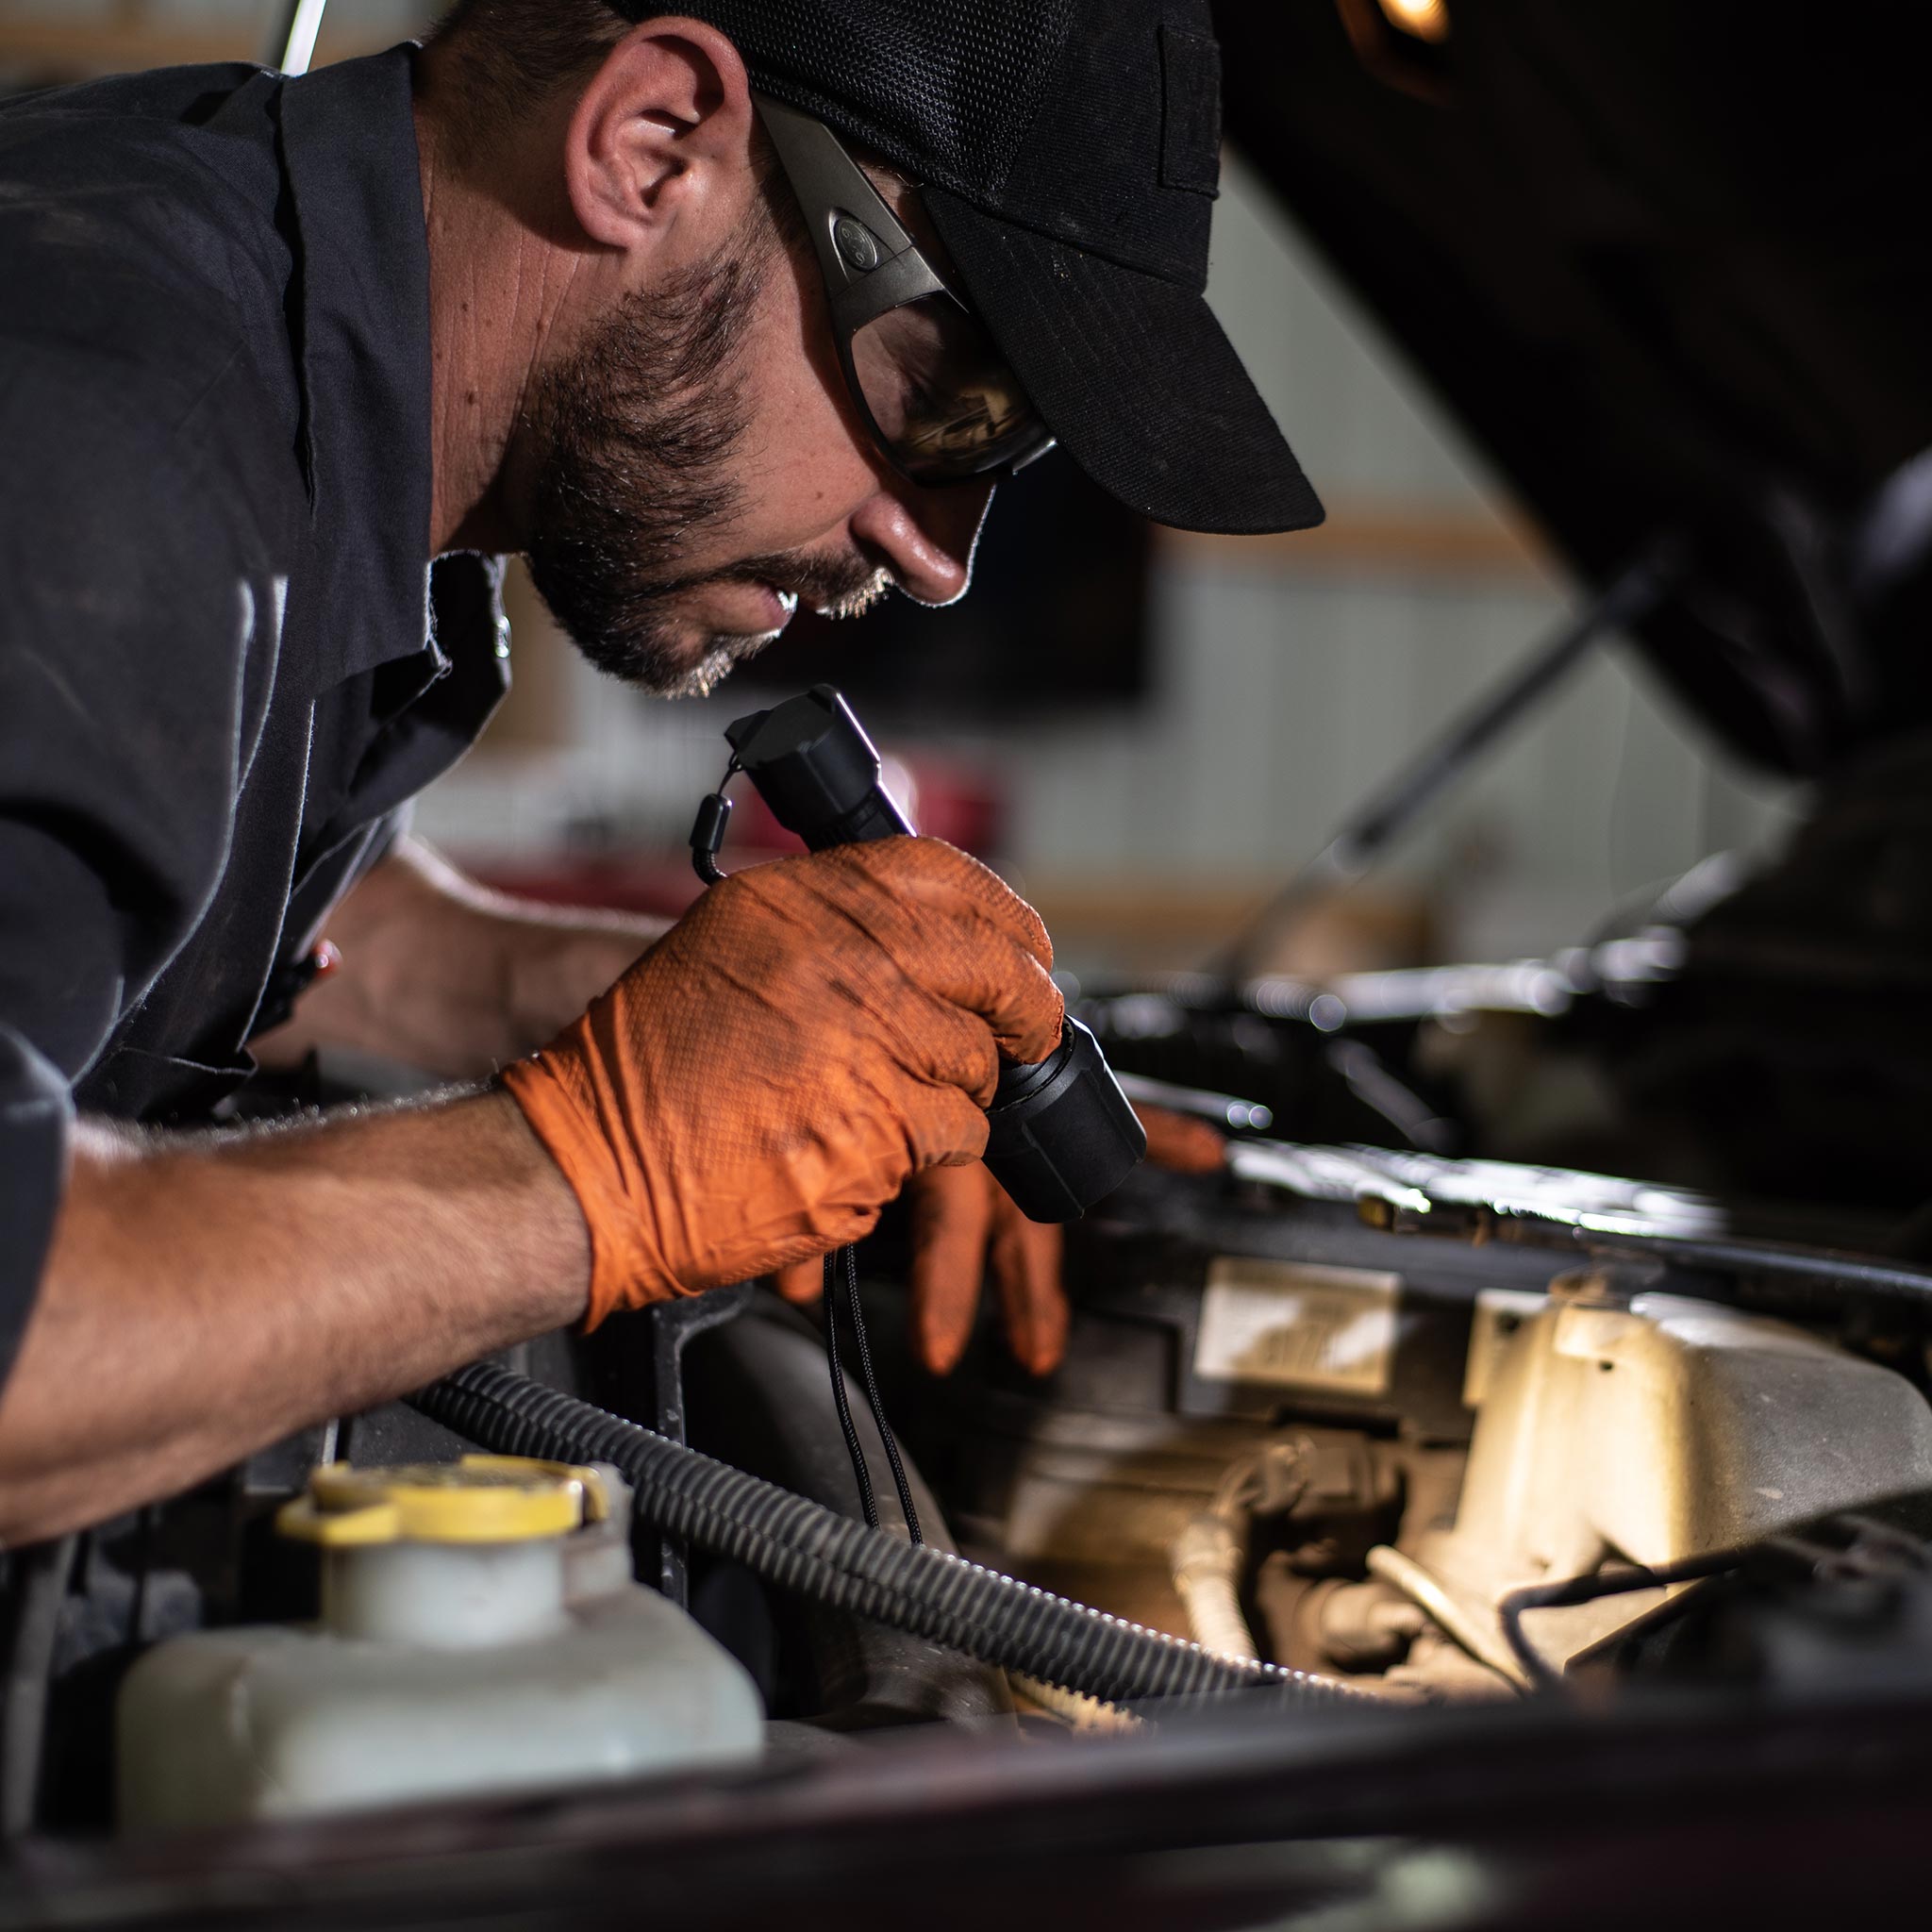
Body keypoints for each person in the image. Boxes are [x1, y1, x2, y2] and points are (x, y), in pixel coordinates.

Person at [0, 0, 1321, 1545]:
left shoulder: (323, 383)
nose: (940, 556)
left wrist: (736, 1049)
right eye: (956, 402)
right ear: (650, 144)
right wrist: (596, 1172)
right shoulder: (107, 433)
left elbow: (234, 916)